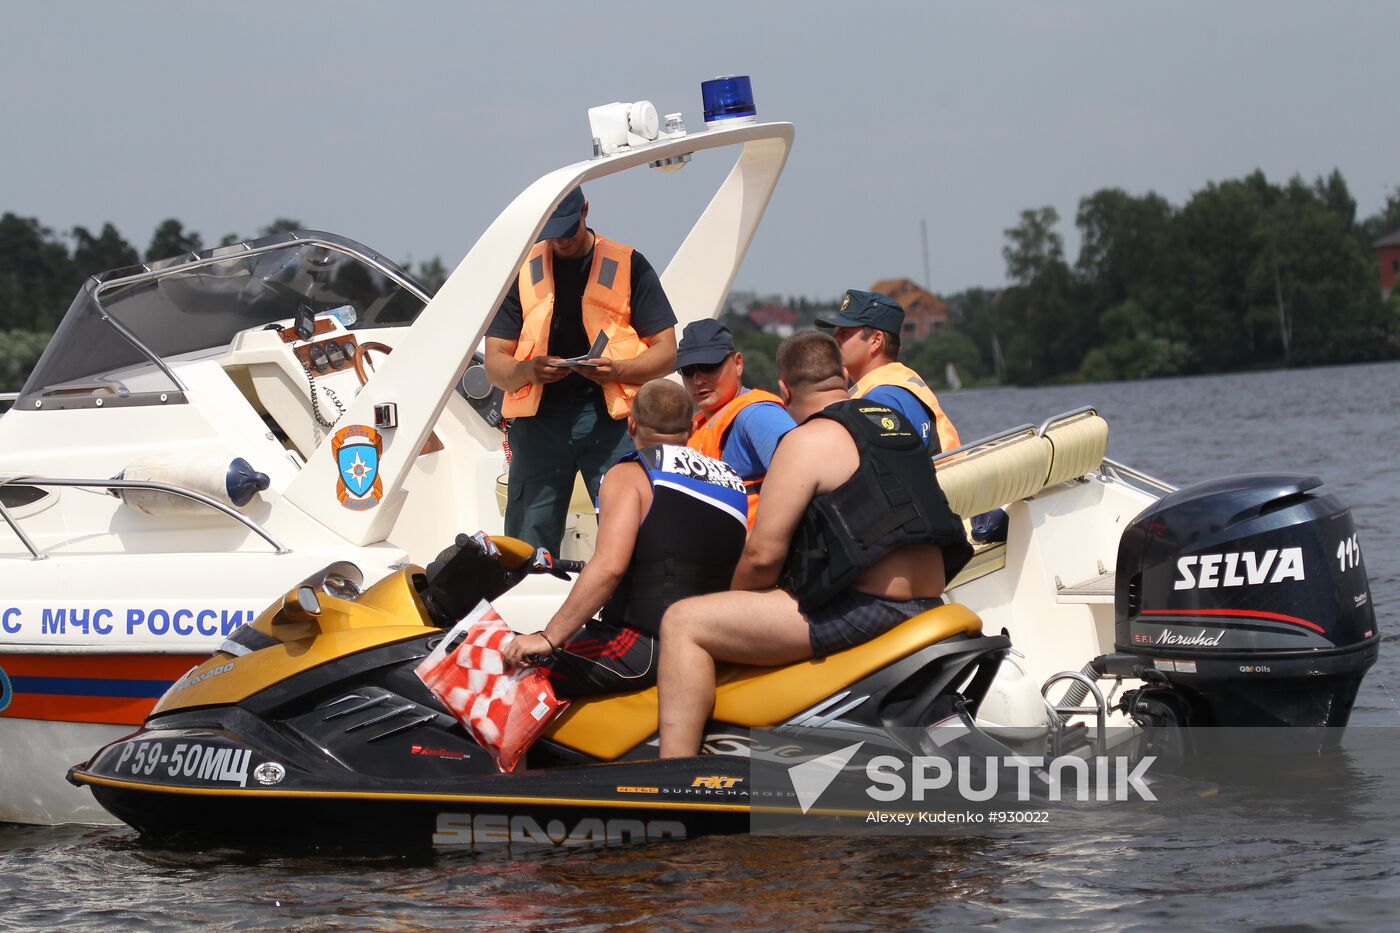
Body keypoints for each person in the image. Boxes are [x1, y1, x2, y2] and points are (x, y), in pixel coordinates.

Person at [656, 331, 973, 757]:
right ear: (843, 375)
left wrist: (735, 606)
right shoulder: (893, 424)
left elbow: (762, 554)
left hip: (868, 609)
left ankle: (675, 773)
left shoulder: (804, 442)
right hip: (931, 597)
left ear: (784, 389)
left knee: (684, 622)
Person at [502, 379, 749, 698]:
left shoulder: (630, 473)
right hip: (714, 643)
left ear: (631, 423)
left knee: (499, 663)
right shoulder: (730, 479)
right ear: (690, 427)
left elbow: (609, 567)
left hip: (643, 647)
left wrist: (548, 637)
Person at [485, 186, 679, 554]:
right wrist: (530, 370)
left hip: (611, 423)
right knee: (527, 539)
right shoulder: (521, 271)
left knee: (632, 527)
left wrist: (617, 369)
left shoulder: (629, 264)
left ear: (586, 210)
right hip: (539, 425)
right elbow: (495, 362)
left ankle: (631, 607)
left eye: (568, 230)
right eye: (551, 232)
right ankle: (531, 606)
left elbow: (667, 352)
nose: (560, 240)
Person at [676, 319, 796, 526]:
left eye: (708, 366)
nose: (698, 379)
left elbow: (800, 478)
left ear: (738, 364)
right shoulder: (698, 423)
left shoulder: (757, 413)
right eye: (688, 370)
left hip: (753, 550)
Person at [816, 289, 961, 455]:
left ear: (876, 340)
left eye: (844, 333)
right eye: (835, 334)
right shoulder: (896, 385)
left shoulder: (880, 398)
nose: (835, 341)